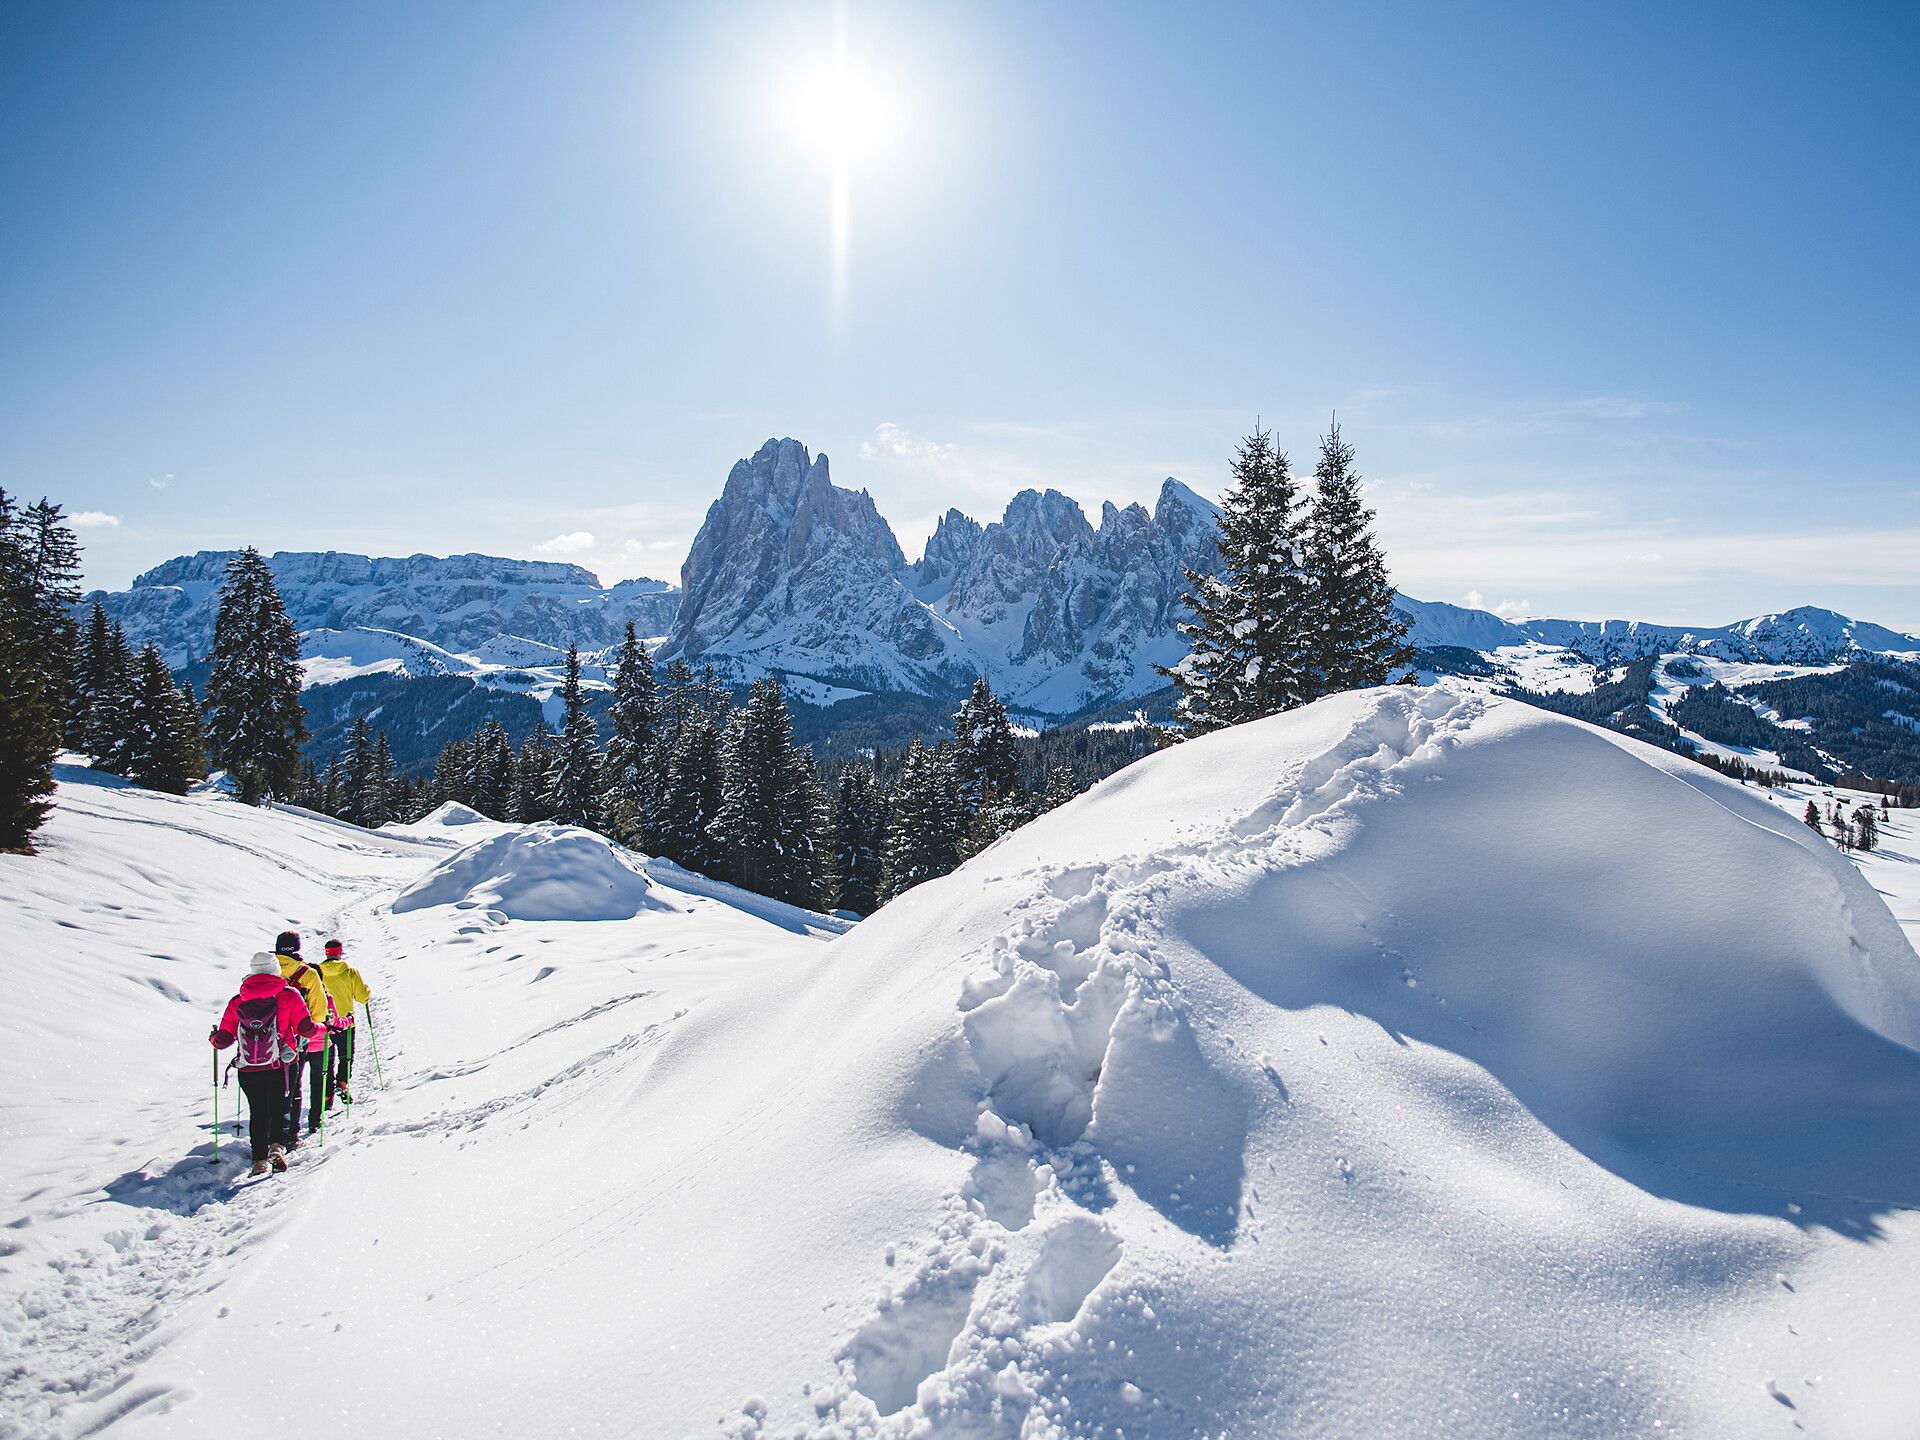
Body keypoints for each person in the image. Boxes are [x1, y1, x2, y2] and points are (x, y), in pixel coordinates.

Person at [211, 952, 317, 1174]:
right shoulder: (289, 995)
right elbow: (306, 1029)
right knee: (281, 1107)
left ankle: (259, 1160)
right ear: (276, 971)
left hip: (248, 1067)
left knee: (257, 1111)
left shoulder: (238, 1000)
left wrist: (213, 1038)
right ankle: (277, 1147)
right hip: (282, 1065)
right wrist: (323, 1027)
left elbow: (223, 1040)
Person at [274, 931, 331, 1145]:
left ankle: (268, 1137)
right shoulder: (308, 974)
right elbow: (319, 1014)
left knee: (269, 1088)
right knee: (293, 1087)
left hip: (263, 1041)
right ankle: (290, 1135)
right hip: (296, 1041)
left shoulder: (265, 970)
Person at [317, 938, 371, 1110]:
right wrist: (366, 990)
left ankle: (327, 1096)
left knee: (327, 1060)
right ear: (340, 952)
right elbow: (362, 997)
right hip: (346, 1023)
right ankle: (342, 1083)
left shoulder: (317, 972)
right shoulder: (350, 972)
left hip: (325, 1023)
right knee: (346, 1057)